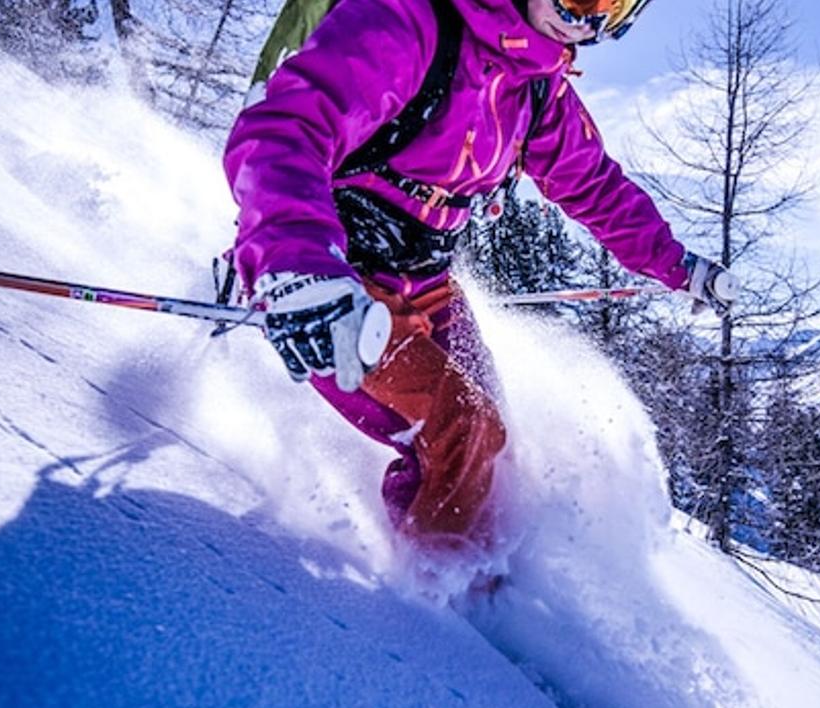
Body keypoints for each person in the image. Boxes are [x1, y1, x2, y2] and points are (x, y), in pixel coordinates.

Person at [223, 0, 738, 558]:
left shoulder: (538, 89)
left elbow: (597, 187)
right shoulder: (411, 20)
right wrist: (298, 262)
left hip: (425, 276)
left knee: (496, 443)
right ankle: (436, 609)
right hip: (338, 275)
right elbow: (286, 128)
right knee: (462, 427)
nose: (585, 19)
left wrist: (681, 268)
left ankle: (474, 584)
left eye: (611, 7)